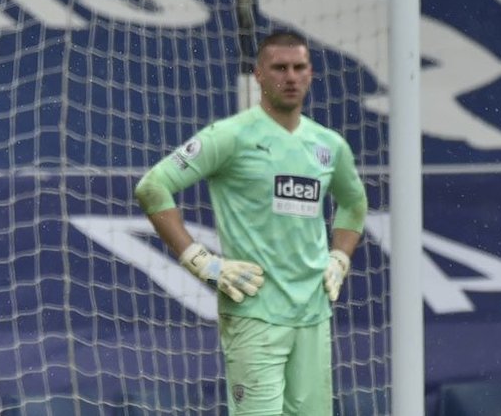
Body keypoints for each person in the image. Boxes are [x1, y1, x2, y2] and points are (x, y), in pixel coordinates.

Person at [134, 31, 368, 416]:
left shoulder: (329, 145)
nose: (290, 77)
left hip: (313, 314)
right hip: (254, 313)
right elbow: (152, 187)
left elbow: (355, 203)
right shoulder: (230, 136)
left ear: (311, 74)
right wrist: (199, 260)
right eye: (279, 68)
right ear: (258, 75)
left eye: (299, 67)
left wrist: (339, 258)